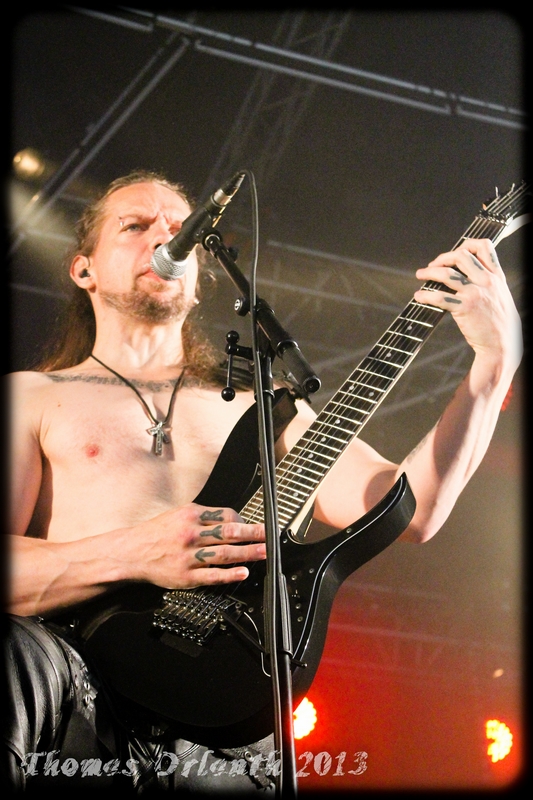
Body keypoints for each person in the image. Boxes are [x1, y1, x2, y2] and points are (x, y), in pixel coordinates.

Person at [3, 170, 522, 794]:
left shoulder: (265, 409)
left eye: (182, 229)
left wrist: (494, 365)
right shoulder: (32, 396)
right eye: (135, 226)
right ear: (83, 269)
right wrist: (135, 551)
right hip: (75, 692)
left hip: (229, 718)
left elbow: (413, 507)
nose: (165, 238)